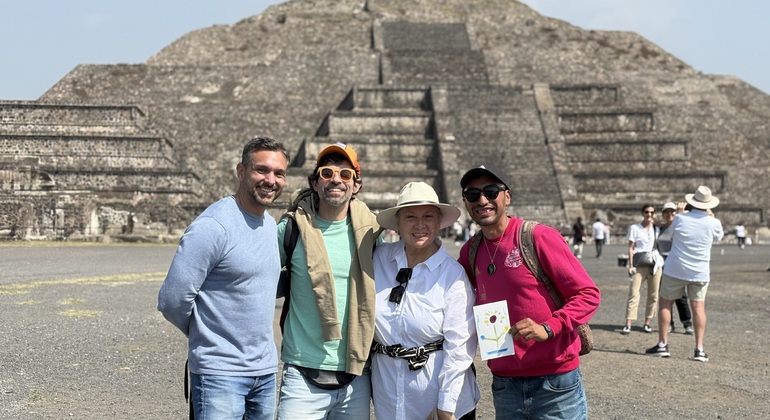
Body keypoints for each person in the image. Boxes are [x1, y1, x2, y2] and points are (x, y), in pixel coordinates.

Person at [157, 137, 289, 419]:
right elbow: (171, 299)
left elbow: (254, 285)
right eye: (261, 170)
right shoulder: (213, 226)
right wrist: (206, 334)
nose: (271, 180)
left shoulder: (269, 224)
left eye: (279, 173)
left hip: (264, 371)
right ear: (241, 171)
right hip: (219, 374)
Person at [457, 165, 600, 420]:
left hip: (555, 382)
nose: (482, 200)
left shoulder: (537, 237)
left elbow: (587, 294)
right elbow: (455, 302)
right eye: (472, 194)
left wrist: (549, 327)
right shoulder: (470, 251)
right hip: (505, 383)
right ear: (465, 203)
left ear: (507, 196)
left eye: (491, 191)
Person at [276, 142, 381, 419]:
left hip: (356, 373)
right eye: (327, 173)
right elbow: (252, 277)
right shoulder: (291, 228)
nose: (336, 179)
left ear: (356, 185)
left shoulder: (373, 232)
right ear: (314, 181)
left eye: (345, 174)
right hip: (302, 370)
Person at [370, 182, 480, 420]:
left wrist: (446, 406)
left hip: (437, 403)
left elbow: (459, 346)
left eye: (428, 216)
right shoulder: (379, 259)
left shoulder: (452, 275)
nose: (420, 225)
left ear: (439, 222)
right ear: (397, 223)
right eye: (410, 216)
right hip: (388, 398)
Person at [647, 186, 724, 362]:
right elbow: (718, 237)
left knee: (665, 303)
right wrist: (710, 215)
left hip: (676, 268)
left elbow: (671, 235)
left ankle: (662, 344)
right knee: (698, 308)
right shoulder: (714, 222)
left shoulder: (680, 218)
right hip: (700, 271)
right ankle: (699, 349)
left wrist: (681, 213)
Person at [621, 204, 664, 335]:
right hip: (639, 264)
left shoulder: (657, 229)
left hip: (654, 264)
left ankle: (647, 323)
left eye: (652, 212)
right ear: (642, 213)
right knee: (634, 293)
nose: (649, 215)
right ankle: (629, 323)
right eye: (647, 212)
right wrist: (630, 265)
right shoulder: (635, 228)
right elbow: (631, 248)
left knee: (653, 294)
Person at [657, 202, 693, 335]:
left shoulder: (679, 226)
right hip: (662, 264)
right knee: (665, 296)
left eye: (672, 211)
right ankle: (669, 323)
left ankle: (687, 323)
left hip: (676, 263)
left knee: (681, 296)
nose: (669, 214)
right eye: (666, 212)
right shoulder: (660, 228)